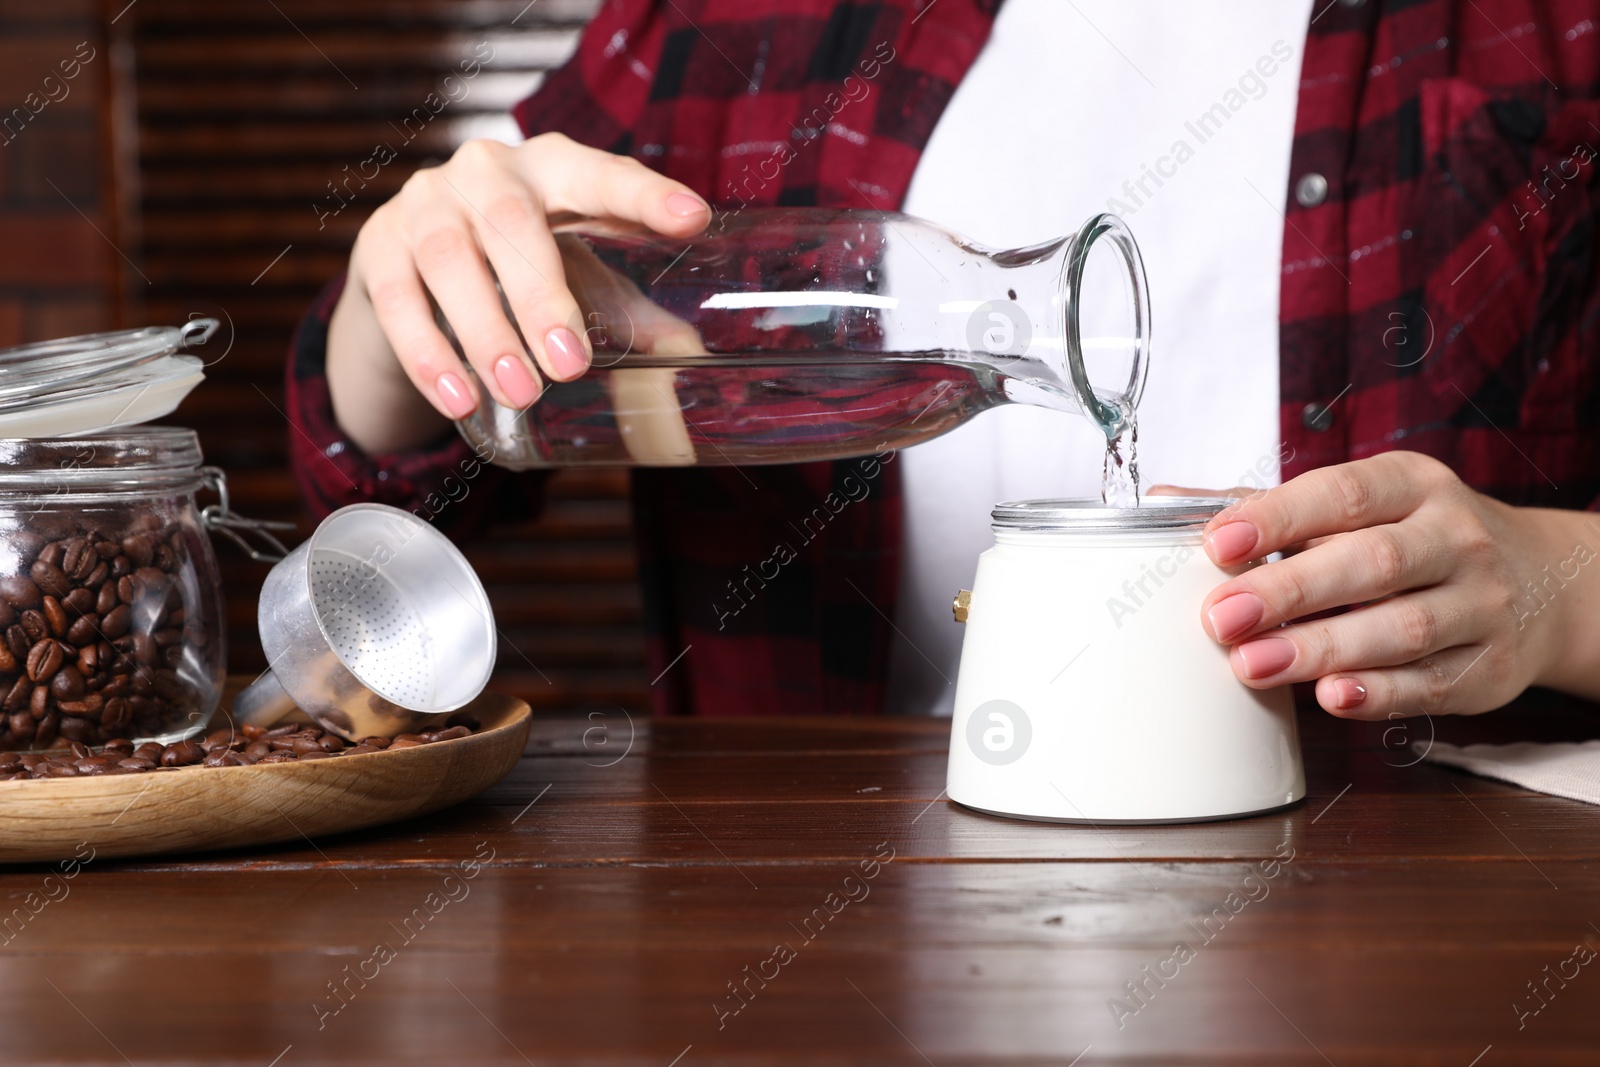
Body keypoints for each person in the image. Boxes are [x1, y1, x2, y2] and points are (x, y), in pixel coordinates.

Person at [289, 0, 1600, 720]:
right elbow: (401, 486)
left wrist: (1556, 590)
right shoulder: (748, 24)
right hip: (812, 964)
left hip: (1429, 952)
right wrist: (407, 293)